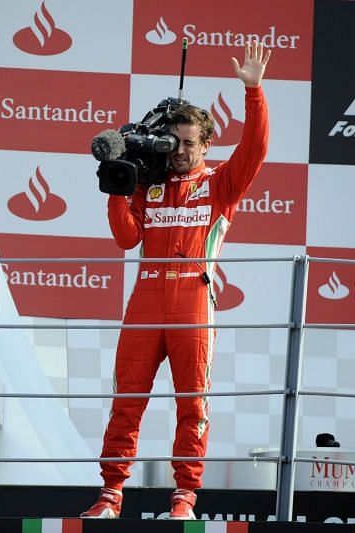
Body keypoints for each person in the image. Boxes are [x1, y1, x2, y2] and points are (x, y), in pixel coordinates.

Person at [82, 40, 271, 520]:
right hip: (145, 295)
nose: (181, 151)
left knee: (193, 406)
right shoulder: (150, 182)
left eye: (191, 143)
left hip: (192, 298)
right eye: (175, 141)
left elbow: (256, 147)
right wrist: (118, 186)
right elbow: (127, 239)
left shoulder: (223, 182)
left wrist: (253, 91)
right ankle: (110, 496)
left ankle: (184, 498)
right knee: (126, 402)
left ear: (206, 145)